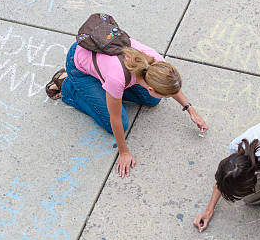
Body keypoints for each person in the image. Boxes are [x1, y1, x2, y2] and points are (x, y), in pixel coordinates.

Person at [45, 38, 208, 178]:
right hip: (79, 64)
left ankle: (106, 91)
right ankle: (67, 86)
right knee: (118, 124)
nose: (167, 98)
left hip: (109, 66)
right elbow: (114, 118)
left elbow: (171, 86)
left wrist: (190, 110)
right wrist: (123, 152)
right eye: (165, 95)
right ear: (151, 87)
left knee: (152, 101)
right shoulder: (117, 78)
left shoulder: (158, 65)